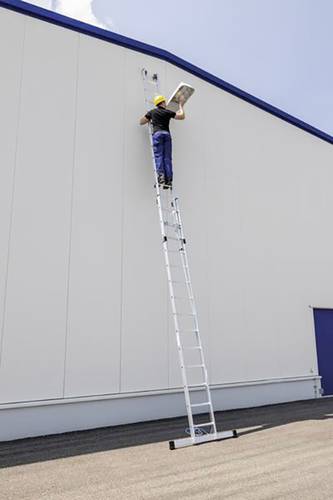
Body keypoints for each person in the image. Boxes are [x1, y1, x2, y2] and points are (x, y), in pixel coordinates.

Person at [140, 95, 185, 189]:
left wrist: (149, 119)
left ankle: (161, 177)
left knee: (159, 156)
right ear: (162, 103)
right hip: (167, 135)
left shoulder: (152, 112)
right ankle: (169, 179)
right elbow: (182, 116)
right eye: (164, 102)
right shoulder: (167, 112)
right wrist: (181, 104)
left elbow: (141, 121)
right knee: (167, 158)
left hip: (157, 135)